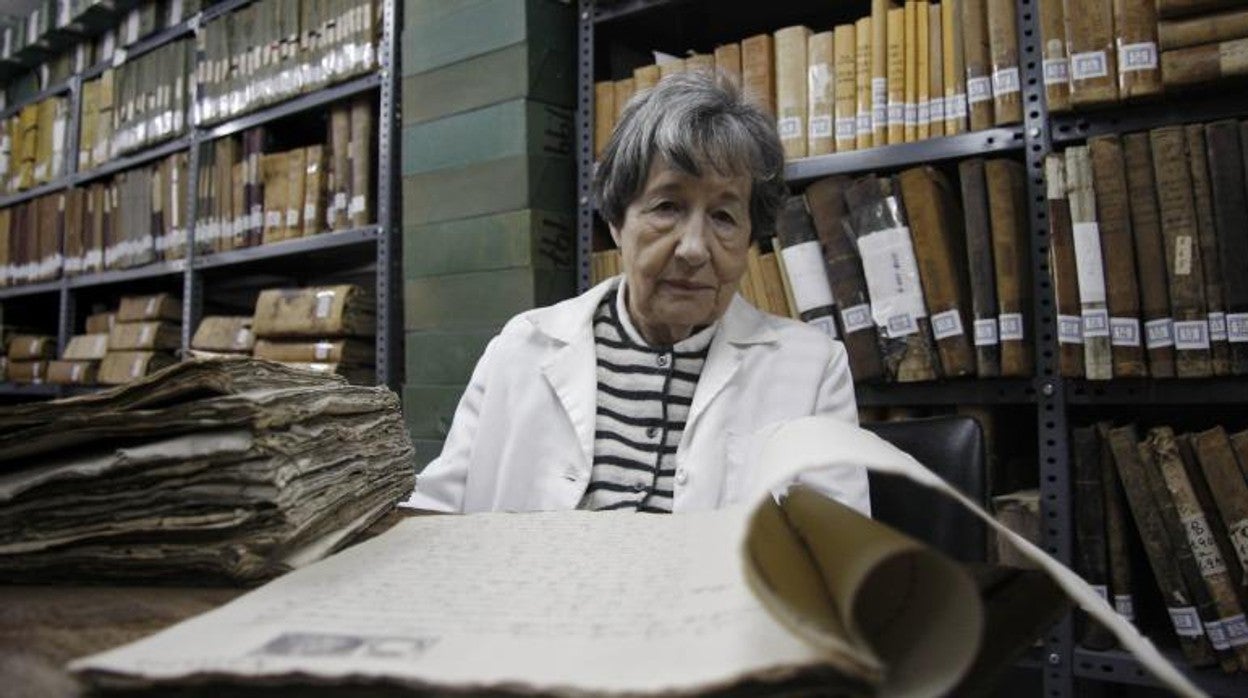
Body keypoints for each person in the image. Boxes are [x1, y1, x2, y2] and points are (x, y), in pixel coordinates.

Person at [404, 71, 869, 514]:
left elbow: (834, 560)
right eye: (667, 207)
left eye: (724, 217)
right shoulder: (521, 348)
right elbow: (440, 513)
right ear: (616, 220)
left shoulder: (812, 371)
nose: (693, 249)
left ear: (750, 239)